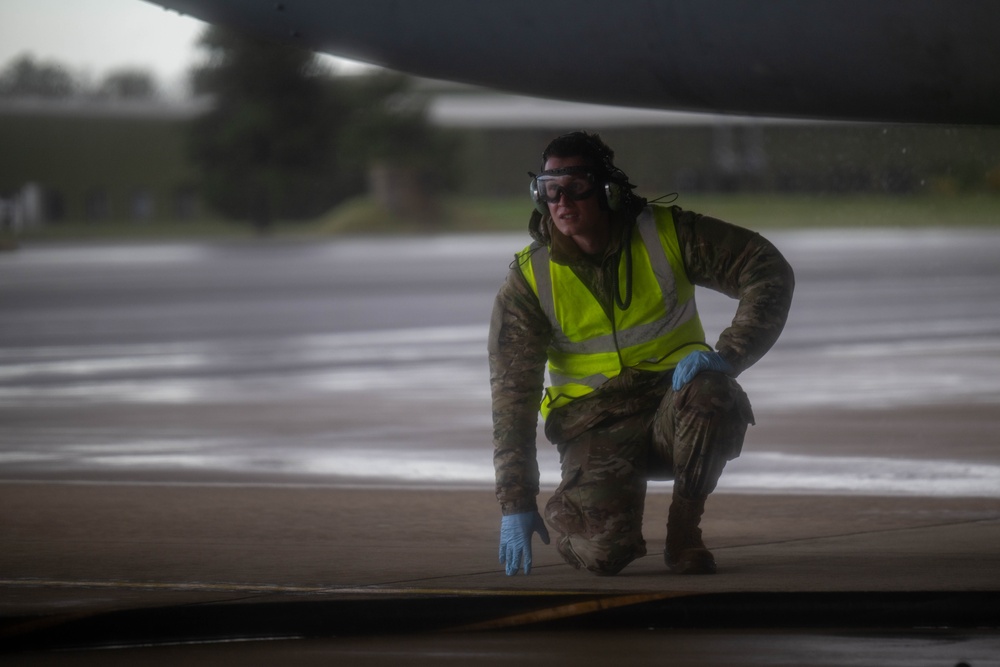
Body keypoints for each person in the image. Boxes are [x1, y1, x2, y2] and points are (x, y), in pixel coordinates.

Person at [490, 131, 794, 576]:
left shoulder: (667, 235)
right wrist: (516, 500)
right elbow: (511, 395)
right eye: (548, 189)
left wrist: (730, 354)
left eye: (575, 187)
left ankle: (684, 533)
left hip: (674, 411)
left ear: (609, 191)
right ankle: (578, 505)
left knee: (712, 392)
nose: (561, 201)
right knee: (606, 555)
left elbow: (765, 267)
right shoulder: (530, 279)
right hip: (594, 425)